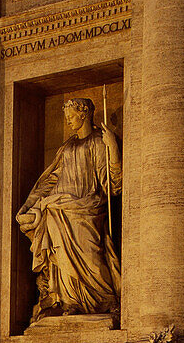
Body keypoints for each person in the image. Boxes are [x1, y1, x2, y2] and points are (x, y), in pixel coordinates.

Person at [16, 96, 121, 320]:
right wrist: (29, 205)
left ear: (83, 114)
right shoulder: (66, 147)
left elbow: (111, 182)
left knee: (92, 253)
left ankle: (105, 297)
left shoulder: (98, 142)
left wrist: (113, 146)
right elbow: (50, 180)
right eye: (65, 117)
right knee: (61, 256)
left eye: (71, 116)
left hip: (87, 206)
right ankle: (70, 300)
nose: (68, 121)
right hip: (58, 208)